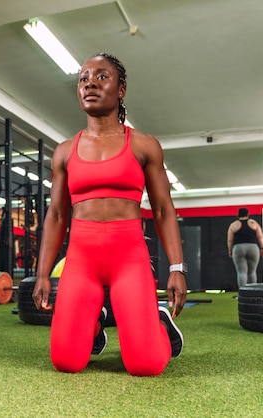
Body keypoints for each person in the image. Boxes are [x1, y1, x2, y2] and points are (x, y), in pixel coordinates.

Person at [32, 52, 186, 377]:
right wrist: (43, 273)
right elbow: (57, 215)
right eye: (84, 78)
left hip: (128, 256)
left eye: (102, 76)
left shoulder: (145, 145)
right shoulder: (63, 151)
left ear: (121, 89)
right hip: (81, 259)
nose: (90, 83)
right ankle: (94, 325)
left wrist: (177, 268)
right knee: (66, 362)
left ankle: (157, 323)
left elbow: (162, 209)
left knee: (145, 365)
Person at [227, 207, 263, 289]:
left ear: (238, 215)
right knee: (252, 272)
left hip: (238, 248)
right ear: (248, 214)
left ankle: (242, 294)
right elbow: (260, 237)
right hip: (253, 247)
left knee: (241, 272)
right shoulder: (254, 223)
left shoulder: (234, 225)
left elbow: (230, 240)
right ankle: (252, 292)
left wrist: (230, 250)